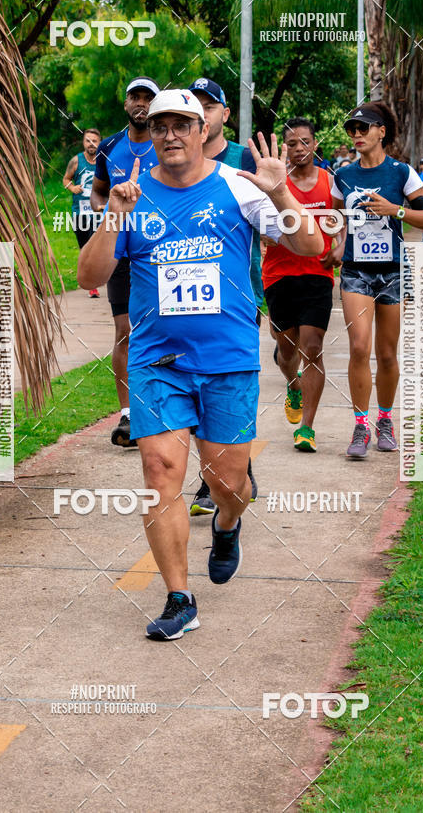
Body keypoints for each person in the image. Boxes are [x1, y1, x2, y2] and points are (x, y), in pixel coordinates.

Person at [78, 89, 324, 640]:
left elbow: (310, 246)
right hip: (156, 361)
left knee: (227, 482)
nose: (169, 134)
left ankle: (228, 523)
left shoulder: (240, 186)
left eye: (181, 124)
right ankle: (178, 598)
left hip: (227, 361)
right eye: (160, 125)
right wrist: (114, 217)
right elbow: (89, 277)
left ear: (202, 129)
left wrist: (280, 190)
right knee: (160, 472)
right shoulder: (132, 196)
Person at [331, 102, 423, 458]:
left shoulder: (402, 173)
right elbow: (335, 221)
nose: (357, 134)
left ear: (382, 131)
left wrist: (396, 211)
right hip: (355, 271)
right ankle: (361, 426)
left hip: (393, 271)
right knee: (359, 348)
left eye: (364, 128)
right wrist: (334, 240)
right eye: (352, 129)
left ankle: (386, 420)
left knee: (387, 353)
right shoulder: (343, 175)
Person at [186, 77, 259, 517]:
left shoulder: (244, 159)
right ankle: (215, 477)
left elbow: (278, 223)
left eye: (210, 106)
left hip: (236, 299)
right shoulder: (172, 160)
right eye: (195, 106)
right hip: (180, 308)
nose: (203, 113)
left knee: (226, 392)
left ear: (224, 115)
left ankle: (224, 475)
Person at [262, 117, 345, 452]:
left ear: (315, 145)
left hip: (317, 273)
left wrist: (339, 246)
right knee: (286, 348)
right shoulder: (274, 183)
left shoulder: (330, 182)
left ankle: (307, 428)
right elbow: (260, 221)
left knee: (312, 347)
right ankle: (292, 384)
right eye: (292, 144)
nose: (299, 149)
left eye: (305, 142)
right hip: (279, 273)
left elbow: (342, 222)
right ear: (285, 147)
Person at [90, 76, 160, 448]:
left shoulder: (166, 142)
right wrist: (110, 213)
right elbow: (97, 193)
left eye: (149, 97)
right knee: (124, 330)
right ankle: (129, 414)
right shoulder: (109, 147)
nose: (141, 103)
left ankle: (158, 405)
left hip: (159, 249)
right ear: (126, 103)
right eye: (135, 96)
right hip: (120, 250)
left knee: (159, 327)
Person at [62, 128, 101, 298]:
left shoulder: (104, 161)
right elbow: (66, 179)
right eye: (88, 141)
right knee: (84, 247)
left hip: (98, 213)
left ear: (99, 143)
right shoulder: (76, 161)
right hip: (80, 213)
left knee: (94, 247)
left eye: (94, 141)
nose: (91, 144)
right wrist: (72, 187)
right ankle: (87, 278)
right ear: (83, 142)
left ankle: (93, 285)